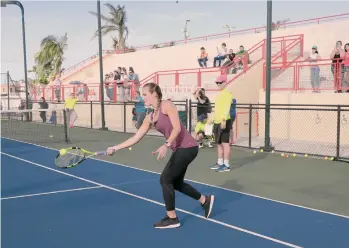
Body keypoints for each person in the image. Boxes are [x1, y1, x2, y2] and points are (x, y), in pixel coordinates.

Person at [107, 82, 214, 229]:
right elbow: (135, 138)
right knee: (175, 183)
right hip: (179, 149)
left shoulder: (167, 105)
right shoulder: (150, 117)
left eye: (145, 94)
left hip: (188, 147)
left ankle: (172, 218)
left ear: (154, 94)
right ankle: (204, 200)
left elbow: (177, 128)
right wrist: (115, 147)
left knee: (165, 179)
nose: (142, 97)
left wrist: (166, 145)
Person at [209, 75, 233, 172]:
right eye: (217, 83)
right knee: (218, 143)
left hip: (224, 121)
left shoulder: (228, 93)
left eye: (220, 82)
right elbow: (217, 109)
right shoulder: (219, 94)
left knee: (225, 143)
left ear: (225, 82)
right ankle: (220, 163)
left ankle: (226, 165)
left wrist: (223, 120)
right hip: (217, 121)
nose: (218, 84)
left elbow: (226, 108)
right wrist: (212, 119)